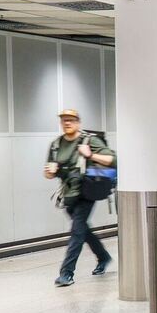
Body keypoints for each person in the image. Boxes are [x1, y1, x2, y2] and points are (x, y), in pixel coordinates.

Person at [44, 108, 114, 287]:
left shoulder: (88, 140)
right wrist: (50, 173)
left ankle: (66, 273)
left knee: (77, 232)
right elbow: (50, 171)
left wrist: (90, 154)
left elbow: (112, 160)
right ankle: (104, 257)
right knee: (83, 230)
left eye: (71, 120)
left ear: (78, 122)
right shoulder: (56, 145)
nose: (67, 122)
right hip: (68, 195)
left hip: (86, 192)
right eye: (64, 120)